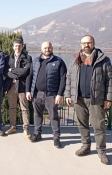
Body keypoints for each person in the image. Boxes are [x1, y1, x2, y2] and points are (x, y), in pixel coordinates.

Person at [64, 35, 111, 165]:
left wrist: (108, 98)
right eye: (84, 43)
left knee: (99, 126)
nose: (86, 45)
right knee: (82, 124)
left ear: (93, 43)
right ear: (81, 44)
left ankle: (101, 151)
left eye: (89, 43)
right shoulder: (75, 60)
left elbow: (109, 80)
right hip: (79, 98)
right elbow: (69, 78)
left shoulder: (103, 60)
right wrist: (68, 95)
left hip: (96, 99)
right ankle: (86, 145)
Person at [26, 41, 67, 148]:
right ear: (41, 49)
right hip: (37, 93)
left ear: (52, 48)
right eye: (45, 48)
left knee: (53, 116)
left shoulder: (58, 61)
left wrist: (60, 94)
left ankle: (56, 137)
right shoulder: (35, 61)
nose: (47, 50)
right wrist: (28, 91)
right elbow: (29, 76)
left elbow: (63, 79)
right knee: (37, 114)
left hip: (51, 94)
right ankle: (37, 133)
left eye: (49, 48)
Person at [3, 39, 32, 137]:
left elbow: (25, 72)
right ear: (13, 47)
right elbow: (5, 72)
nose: (17, 47)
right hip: (11, 86)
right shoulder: (8, 58)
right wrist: (16, 75)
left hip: (22, 86)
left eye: (19, 46)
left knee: (24, 108)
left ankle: (26, 128)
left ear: (22, 46)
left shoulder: (27, 58)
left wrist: (13, 70)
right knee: (12, 107)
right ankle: (12, 127)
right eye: (16, 46)